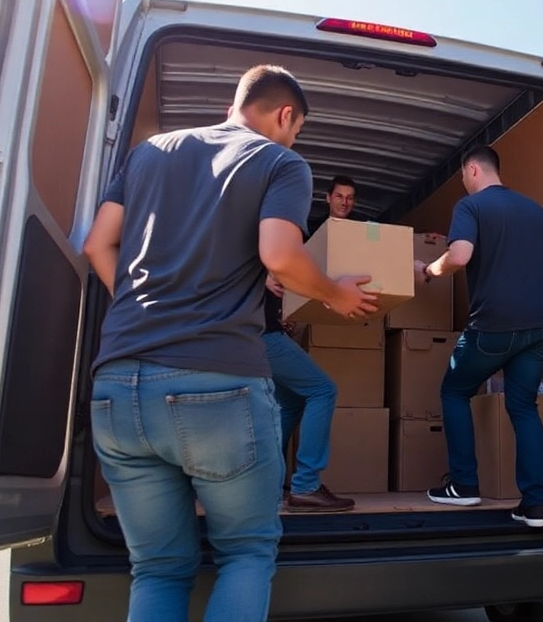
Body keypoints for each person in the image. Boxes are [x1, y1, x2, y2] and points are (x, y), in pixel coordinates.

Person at [82, 64, 377, 621]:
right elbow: (281, 256)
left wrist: (145, 309)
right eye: (298, 129)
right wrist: (335, 295)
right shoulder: (280, 161)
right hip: (216, 383)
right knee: (245, 551)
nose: (295, 140)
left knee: (157, 568)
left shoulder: (149, 152)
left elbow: (99, 244)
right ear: (286, 115)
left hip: (117, 383)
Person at [417, 146, 543, 528]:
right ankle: (535, 505)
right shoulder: (538, 211)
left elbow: (459, 256)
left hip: (493, 328)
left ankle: (464, 485)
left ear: (472, 170)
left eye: (463, 176)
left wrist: (427, 271)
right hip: (542, 328)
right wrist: (530, 289)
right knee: (523, 407)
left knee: (454, 391)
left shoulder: (470, 208)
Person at [263, 274, 354, 512]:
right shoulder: (253, 241)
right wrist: (332, 293)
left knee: (290, 401)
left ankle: (266, 483)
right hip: (262, 334)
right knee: (322, 390)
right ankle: (306, 486)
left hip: (262, 330)